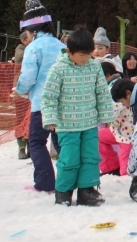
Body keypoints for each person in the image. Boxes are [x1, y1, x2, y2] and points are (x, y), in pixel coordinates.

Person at [40, 27, 114, 206]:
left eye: (88, 54)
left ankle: (87, 190)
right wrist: (50, 118)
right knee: (69, 158)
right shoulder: (58, 69)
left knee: (90, 157)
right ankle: (64, 192)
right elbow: (49, 96)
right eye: (81, 55)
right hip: (67, 125)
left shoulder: (95, 67)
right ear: (69, 51)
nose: (86, 58)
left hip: (89, 123)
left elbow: (102, 93)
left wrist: (106, 116)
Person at [14, 0, 65, 193]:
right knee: (61, 142)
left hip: (42, 104)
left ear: (32, 31)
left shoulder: (33, 48)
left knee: (36, 141)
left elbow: (28, 77)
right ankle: (69, 179)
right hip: (63, 103)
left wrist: (18, 91)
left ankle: (45, 183)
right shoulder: (61, 46)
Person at [98, 62, 133, 176]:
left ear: (107, 76)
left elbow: (115, 107)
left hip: (127, 132)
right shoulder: (115, 84)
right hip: (119, 129)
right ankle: (111, 167)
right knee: (97, 136)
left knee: (125, 166)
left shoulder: (114, 87)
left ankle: (122, 175)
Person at [12, 31, 34, 160]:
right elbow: (20, 57)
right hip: (20, 90)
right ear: (24, 41)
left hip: (32, 90)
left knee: (32, 119)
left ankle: (31, 145)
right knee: (20, 118)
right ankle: (21, 147)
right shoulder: (20, 49)